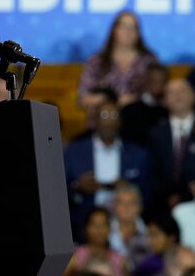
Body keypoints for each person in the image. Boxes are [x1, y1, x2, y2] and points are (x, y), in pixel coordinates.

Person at [63, 95, 151, 242]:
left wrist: (129, 189)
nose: (109, 120)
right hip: (83, 225)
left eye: (114, 115)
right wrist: (78, 186)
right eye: (104, 115)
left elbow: (149, 191)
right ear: (94, 120)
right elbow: (58, 189)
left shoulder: (138, 154)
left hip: (126, 229)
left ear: (121, 121)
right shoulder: (74, 151)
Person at [147, 79, 195, 211]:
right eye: (171, 92)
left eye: (182, 91)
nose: (178, 95)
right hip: (162, 204)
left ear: (194, 96)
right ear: (164, 100)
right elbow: (152, 171)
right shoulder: (155, 133)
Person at [78, 10, 158, 111]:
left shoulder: (149, 62)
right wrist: (110, 100)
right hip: (102, 121)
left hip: (140, 120)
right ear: (114, 30)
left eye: (133, 28)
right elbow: (83, 98)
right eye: (123, 26)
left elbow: (158, 95)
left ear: (139, 33)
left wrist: (135, 100)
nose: (128, 32)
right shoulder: (96, 61)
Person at [65, 207, 128, 276]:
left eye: (103, 224)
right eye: (94, 224)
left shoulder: (119, 260)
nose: (99, 230)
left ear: (109, 228)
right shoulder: (75, 257)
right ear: (86, 228)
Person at [134, 212, 195, 276]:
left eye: (155, 235)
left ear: (172, 237)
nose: (150, 240)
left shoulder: (187, 256)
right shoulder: (148, 263)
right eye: (149, 235)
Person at [108, 182, 152, 271]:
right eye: (121, 203)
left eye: (132, 203)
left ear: (140, 207)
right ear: (114, 206)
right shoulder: (105, 231)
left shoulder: (150, 233)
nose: (126, 207)